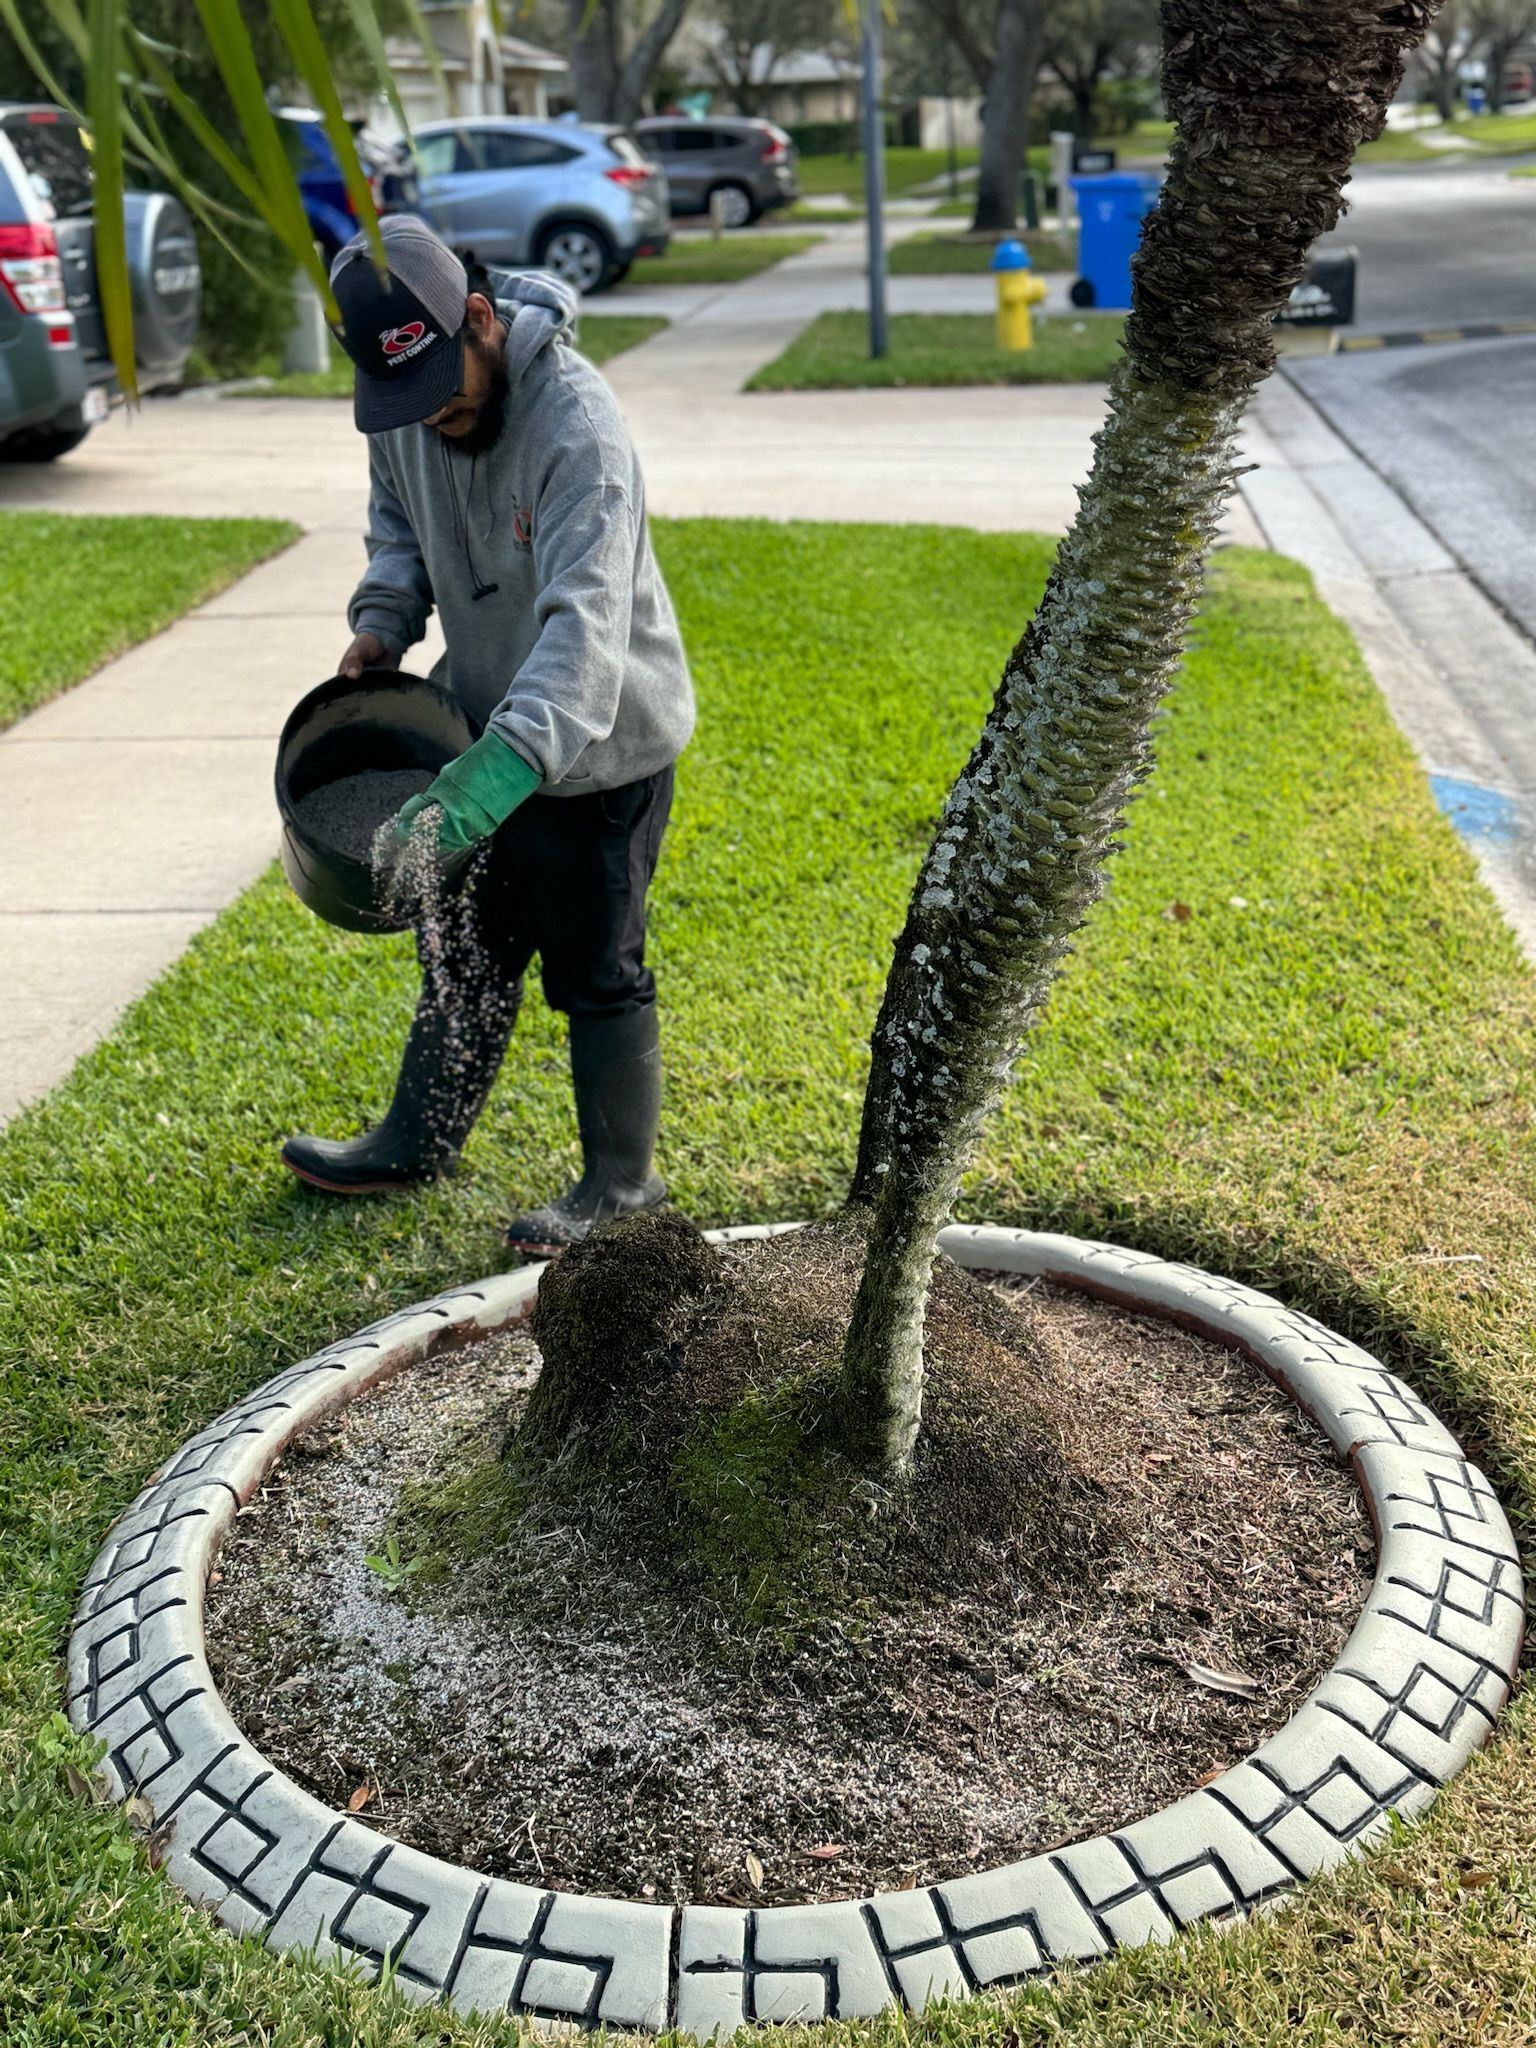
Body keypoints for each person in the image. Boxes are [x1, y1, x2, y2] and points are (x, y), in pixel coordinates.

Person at [280, 215, 694, 1254]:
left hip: (601, 750)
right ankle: (414, 1141)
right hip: (472, 728)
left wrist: (477, 789)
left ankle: (621, 1186)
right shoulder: (404, 402)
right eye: (407, 408)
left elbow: (584, 638)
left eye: (447, 395)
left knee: (597, 966)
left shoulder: (579, 433)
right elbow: (398, 525)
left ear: (477, 318)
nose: (434, 421)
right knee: (464, 952)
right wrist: (381, 624)